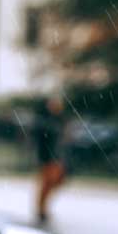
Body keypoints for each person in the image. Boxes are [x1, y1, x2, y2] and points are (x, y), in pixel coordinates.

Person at [33, 93, 69, 224]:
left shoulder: (60, 120)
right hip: (48, 157)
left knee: (55, 182)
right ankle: (41, 209)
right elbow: (42, 140)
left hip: (57, 157)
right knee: (47, 183)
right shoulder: (45, 121)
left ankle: (42, 208)